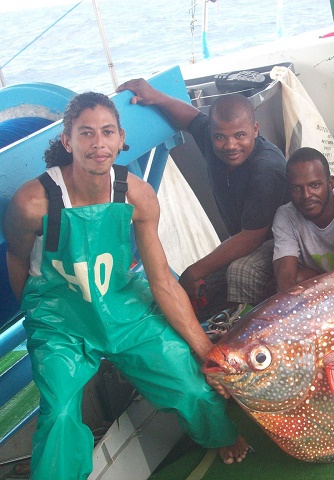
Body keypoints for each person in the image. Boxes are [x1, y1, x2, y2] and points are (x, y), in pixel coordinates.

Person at [3, 93, 249, 478]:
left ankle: (219, 435)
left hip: (121, 303)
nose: (98, 143)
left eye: (107, 132)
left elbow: (162, 280)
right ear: (68, 142)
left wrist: (204, 349)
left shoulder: (137, 194)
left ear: (121, 139)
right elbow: (18, 262)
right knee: (61, 415)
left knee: (192, 387)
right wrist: (41, 325)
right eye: (86, 133)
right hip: (59, 317)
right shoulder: (34, 202)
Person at [117, 79, 287, 319]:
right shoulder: (211, 137)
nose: (230, 145)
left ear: (255, 129)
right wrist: (157, 96)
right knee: (191, 293)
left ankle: (254, 324)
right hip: (242, 239)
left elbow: (251, 238)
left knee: (239, 272)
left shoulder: (266, 169)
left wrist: (194, 271)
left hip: (277, 245)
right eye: (220, 137)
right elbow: (191, 118)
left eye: (240, 135)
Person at [272, 147, 334, 292]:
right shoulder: (285, 216)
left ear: (331, 183)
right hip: (320, 286)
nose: (306, 195)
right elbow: (285, 279)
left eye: (314, 185)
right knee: (299, 278)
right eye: (296, 188)